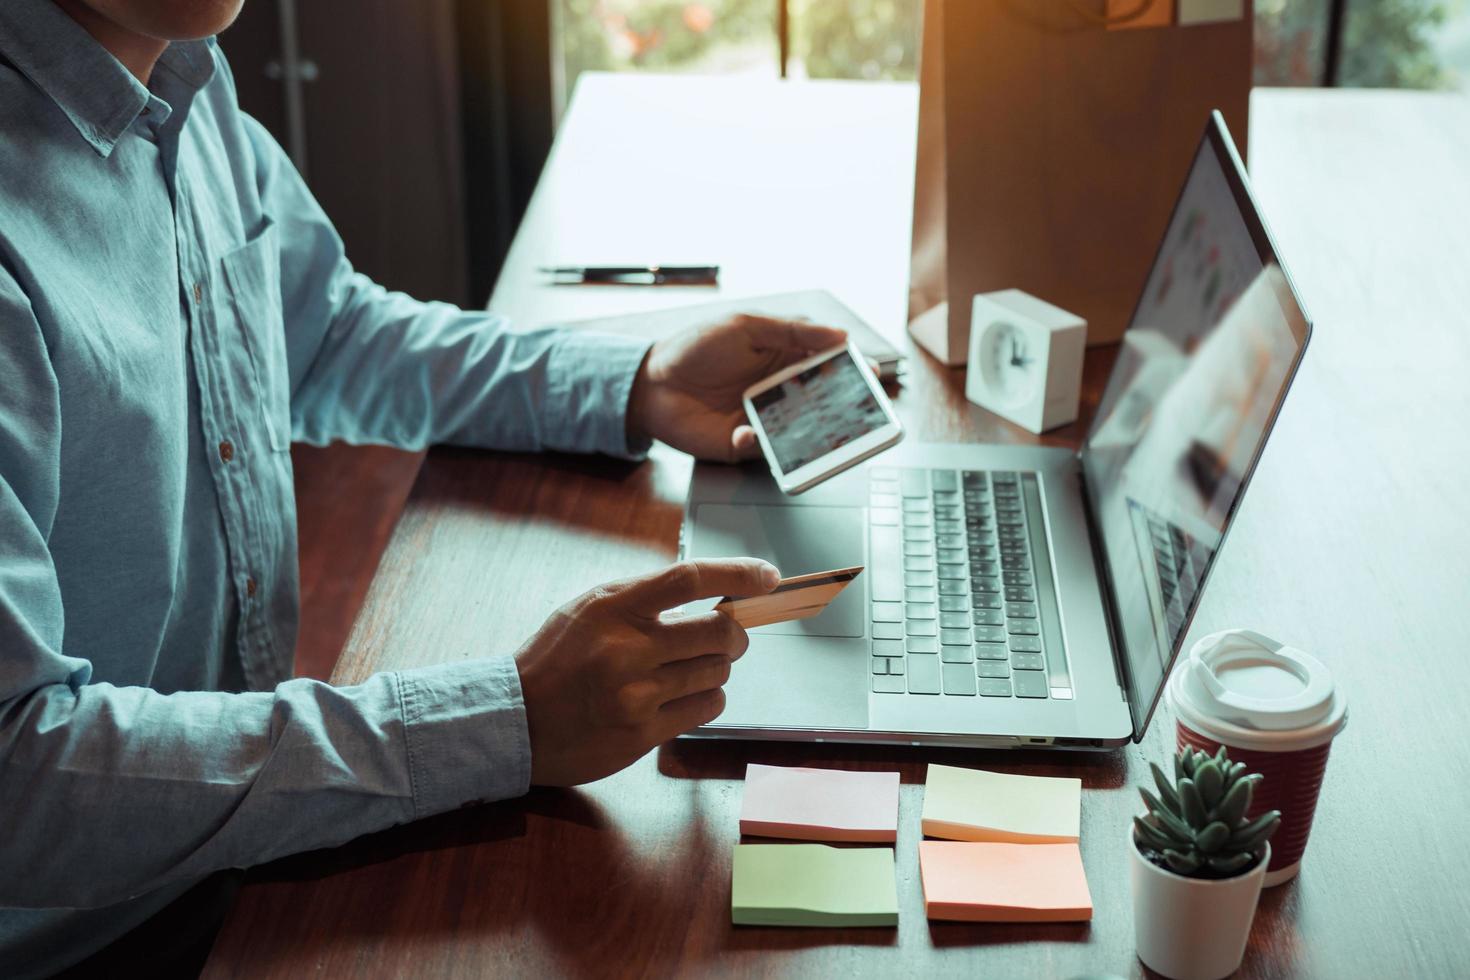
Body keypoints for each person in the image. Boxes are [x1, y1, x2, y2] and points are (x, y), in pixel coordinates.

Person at [0, 0, 848, 974]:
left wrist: (629, 383)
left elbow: (322, 331)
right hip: (89, 939)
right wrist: (499, 720)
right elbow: (15, 777)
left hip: (233, 852)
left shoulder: (186, 77)